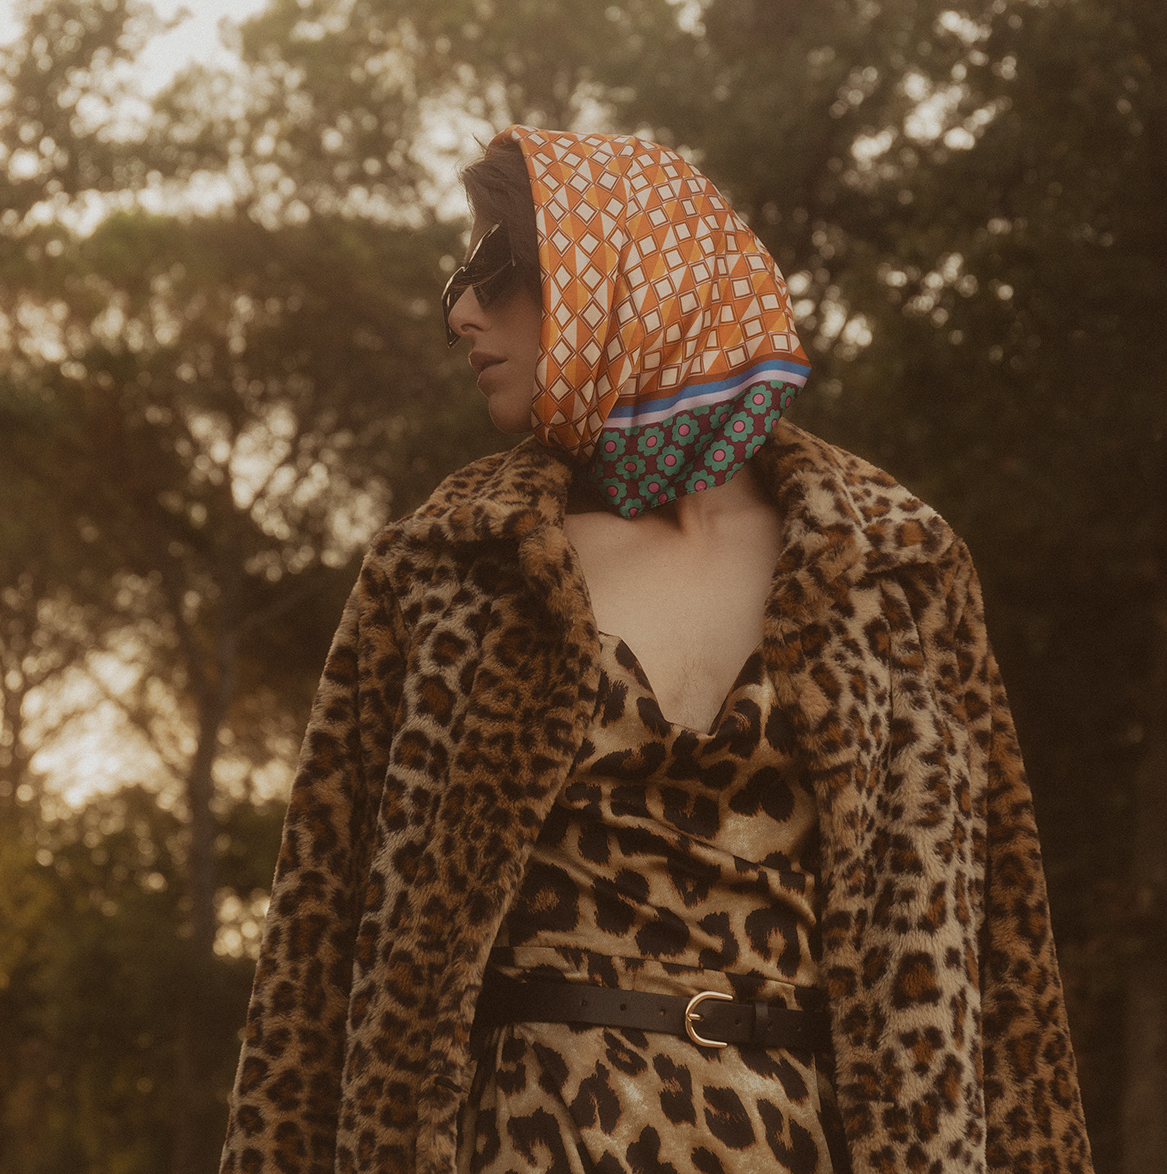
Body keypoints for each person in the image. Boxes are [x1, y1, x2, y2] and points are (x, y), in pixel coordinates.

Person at [219, 127, 1093, 1174]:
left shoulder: (897, 568)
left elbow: (1007, 972)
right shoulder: (442, 569)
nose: (460, 312)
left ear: (625, 275)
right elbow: (309, 965)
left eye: (492, 267)